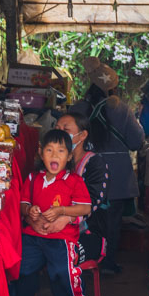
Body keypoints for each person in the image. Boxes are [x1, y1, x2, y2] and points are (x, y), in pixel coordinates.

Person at [13, 129, 92, 296]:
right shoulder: (32, 179)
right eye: (49, 150)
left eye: (60, 151)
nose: (54, 156)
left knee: (61, 277)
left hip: (61, 239)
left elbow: (85, 208)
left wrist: (62, 211)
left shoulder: (74, 181)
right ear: (40, 152)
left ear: (69, 156)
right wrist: (30, 211)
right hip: (33, 237)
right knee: (23, 273)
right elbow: (22, 204)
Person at [70, 57, 145, 275]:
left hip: (86, 169)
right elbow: (136, 141)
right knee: (113, 220)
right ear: (113, 88)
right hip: (117, 172)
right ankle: (108, 261)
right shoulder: (121, 109)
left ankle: (84, 257)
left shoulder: (78, 109)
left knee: (87, 216)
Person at [56, 112, 110, 263]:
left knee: (62, 255)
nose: (59, 134)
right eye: (56, 128)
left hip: (87, 233)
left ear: (82, 135)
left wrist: (65, 219)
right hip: (54, 227)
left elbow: (92, 202)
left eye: (65, 130)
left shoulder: (95, 163)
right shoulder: (52, 162)